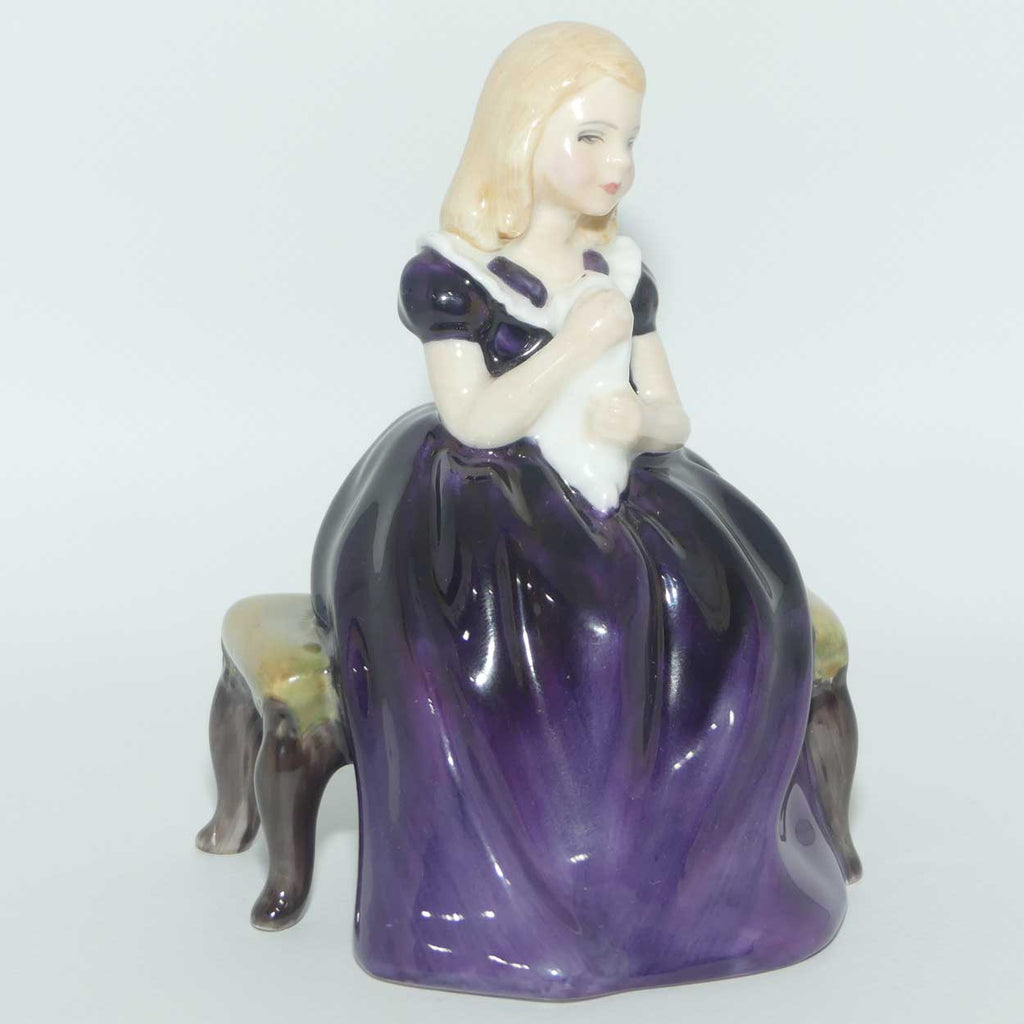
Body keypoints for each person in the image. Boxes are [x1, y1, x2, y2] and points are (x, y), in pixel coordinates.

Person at [311, 21, 849, 1000]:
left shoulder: (621, 271)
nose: (619, 163)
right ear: (522, 134)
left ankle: (689, 884)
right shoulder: (454, 276)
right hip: (489, 495)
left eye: (629, 139)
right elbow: (474, 419)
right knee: (576, 631)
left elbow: (673, 412)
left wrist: (641, 419)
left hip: (617, 479)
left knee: (740, 601)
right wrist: (573, 347)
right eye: (591, 136)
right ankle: (544, 889)